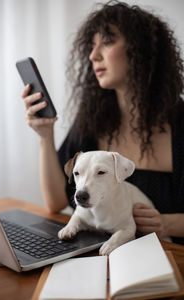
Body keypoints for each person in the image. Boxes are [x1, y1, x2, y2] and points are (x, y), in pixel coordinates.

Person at [22, 0, 184, 244]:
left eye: (107, 42)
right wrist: (45, 135)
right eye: (92, 45)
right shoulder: (92, 120)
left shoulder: (180, 122)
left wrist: (165, 223)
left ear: (140, 50)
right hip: (104, 255)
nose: (93, 55)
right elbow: (56, 202)